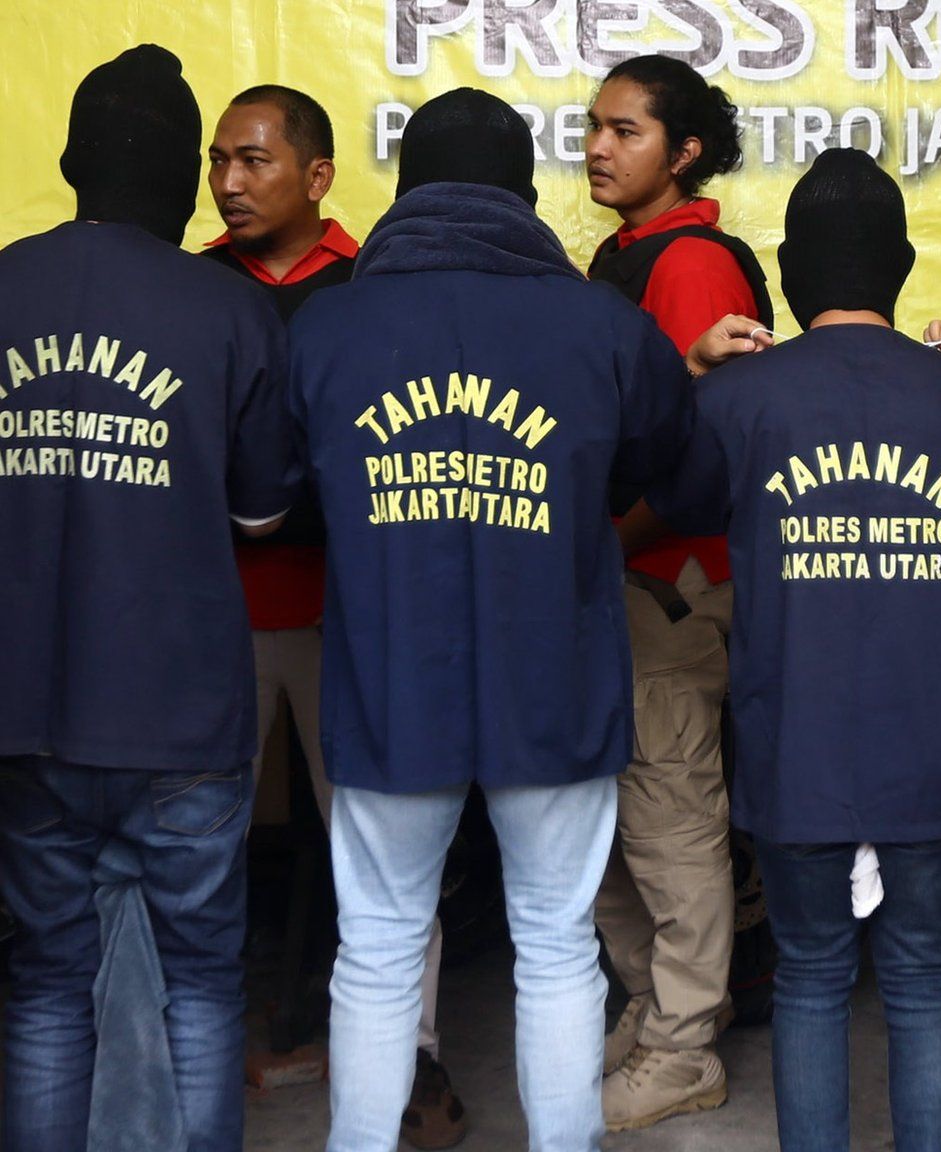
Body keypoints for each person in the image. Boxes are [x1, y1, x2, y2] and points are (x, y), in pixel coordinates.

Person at [288, 89, 693, 1152]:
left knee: (375, 945)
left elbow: (275, 492)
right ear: (522, 194)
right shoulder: (603, 324)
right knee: (557, 945)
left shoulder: (326, 323)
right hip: (551, 677)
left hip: (389, 680)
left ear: (407, 190)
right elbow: (672, 468)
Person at [643, 146, 941, 1152]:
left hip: (793, 734)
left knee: (809, 975)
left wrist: (690, 373)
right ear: (896, 264)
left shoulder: (735, 399)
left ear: (792, 268)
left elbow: (667, 499)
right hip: (932, 736)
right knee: (923, 972)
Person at [0, 45, 298, 1152]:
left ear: (72, 162)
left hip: (25, 706)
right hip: (179, 714)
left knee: (43, 984)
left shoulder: (3, 284)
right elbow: (263, 512)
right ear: (185, 178)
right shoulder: (226, 312)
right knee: (204, 986)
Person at [202, 84, 470, 1149]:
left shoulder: (370, 291)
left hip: (350, 623)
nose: (229, 182)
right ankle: (192, 1060)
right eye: (219, 160)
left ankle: (415, 1063)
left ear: (317, 176)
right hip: (212, 616)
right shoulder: (194, 290)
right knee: (191, 854)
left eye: (255, 161)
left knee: (386, 862)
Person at [581, 53, 769, 1130]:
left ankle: (683, 1043)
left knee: (670, 824)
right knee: (616, 822)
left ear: (683, 151)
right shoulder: (626, 253)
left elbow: (706, 461)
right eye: (594, 128)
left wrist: (603, 543)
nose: (599, 148)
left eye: (625, 132)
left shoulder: (688, 262)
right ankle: (653, 1012)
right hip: (626, 578)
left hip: (671, 584)